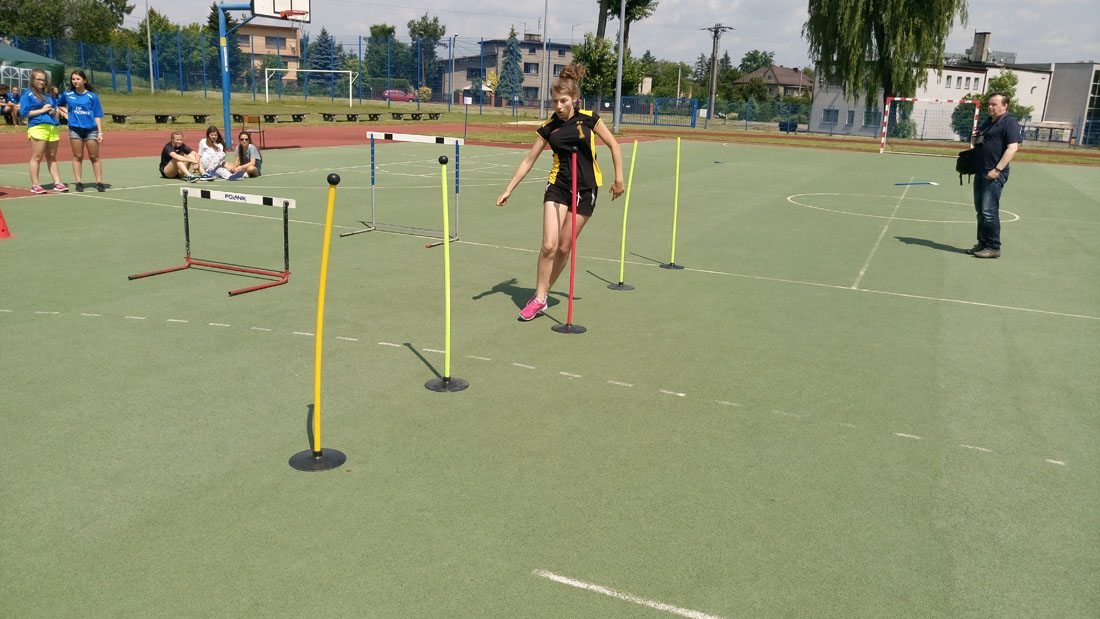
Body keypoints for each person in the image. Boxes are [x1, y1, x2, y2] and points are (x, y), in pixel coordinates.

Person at [496, 63, 624, 321]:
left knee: (565, 247)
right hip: (558, 187)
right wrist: (509, 189)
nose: (559, 106)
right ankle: (539, 298)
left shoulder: (589, 119)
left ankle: (544, 293)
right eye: (555, 101)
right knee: (549, 245)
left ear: (574, 99)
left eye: (563, 100)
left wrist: (619, 179)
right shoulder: (549, 127)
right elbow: (529, 160)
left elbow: (614, 145)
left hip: (586, 189)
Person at [966, 93, 1021, 259]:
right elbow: (979, 143)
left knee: (989, 211)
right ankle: (983, 243)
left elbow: (1013, 148)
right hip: (981, 171)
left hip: (995, 173)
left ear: (1005, 106)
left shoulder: (1009, 122)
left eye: (994, 104)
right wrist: (975, 140)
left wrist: (997, 169)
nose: (990, 107)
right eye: (989, 104)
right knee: (980, 211)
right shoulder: (988, 122)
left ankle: (993, 247)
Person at [19, 68, 67, 195]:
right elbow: (23, 113)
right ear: (32, 79)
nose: (41, 82)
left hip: (52, 126)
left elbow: (54, 108)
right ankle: (35, 184)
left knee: (52, 156)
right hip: (38, 127)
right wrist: (41, 110)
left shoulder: (48, 94)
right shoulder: (27, 94)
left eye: (44, 80)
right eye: (39, 79)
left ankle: (57, 182)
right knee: (37, 156)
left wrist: (53, 112)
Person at [57, 70, 105, 192]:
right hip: (75, 130)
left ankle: (99, 182)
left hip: (91, 130)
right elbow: (59, 104)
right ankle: (78, 182)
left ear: (84, 80)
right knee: (77, 156)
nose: (75, 81)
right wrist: (67, 113)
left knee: (94, 156)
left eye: (78, 79)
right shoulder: (68, 94)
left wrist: (100, 132)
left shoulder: (92, 96)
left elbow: (97, 115)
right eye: (73, 79)